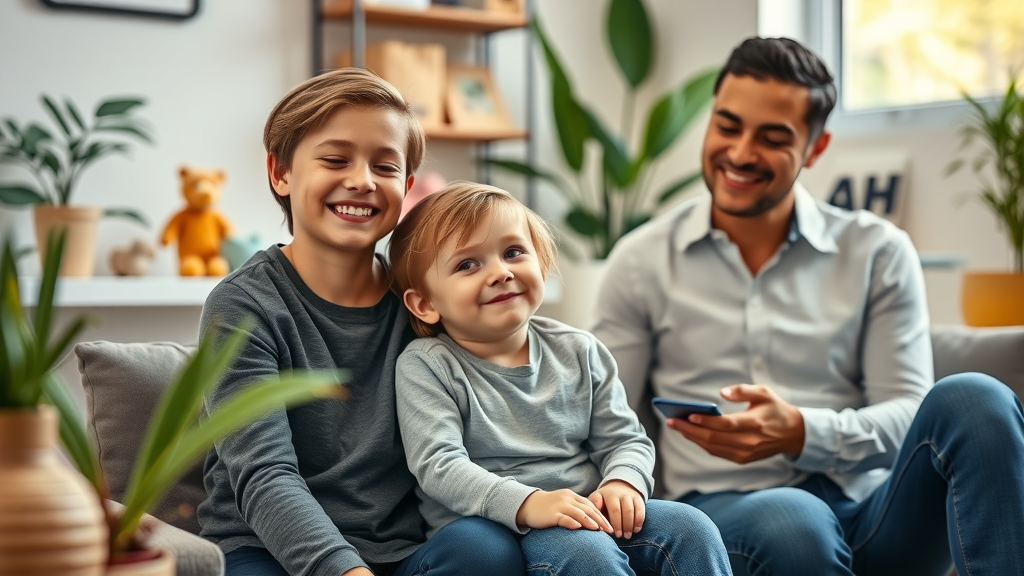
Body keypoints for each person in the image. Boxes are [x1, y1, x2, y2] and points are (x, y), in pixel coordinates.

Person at [592, 36, 1024, 576]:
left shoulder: (878, 251)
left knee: (977, 398)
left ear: (816, 149)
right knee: (794, 519)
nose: (741, 153)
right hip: (726, 514)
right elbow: (601, 421)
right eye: (728, 125)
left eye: (772, 138)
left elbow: (907, 413)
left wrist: (801, 432)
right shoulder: (640, 260)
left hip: (873, 516)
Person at [197, 69, 526, 576]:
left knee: (486, 548)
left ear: (408, 187)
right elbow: (264, 475)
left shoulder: (422, 302)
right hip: (268, 548)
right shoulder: (244, 306)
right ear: (280, 172)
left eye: (386, 166)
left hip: (401, 551)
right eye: (334, 159)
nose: (362, 180)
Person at [387, 182, 732, 576]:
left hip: (587, 509)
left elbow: (625, 439)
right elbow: (439, 465)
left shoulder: (580, 350)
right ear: (425, 304)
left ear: (542, 262)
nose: (500, 272)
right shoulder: (427, 365)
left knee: (691, 526)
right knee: (588, 554)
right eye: (467, 264)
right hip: (495, 527)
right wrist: (529, 503)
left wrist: (624, 482)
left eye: (513, 252)